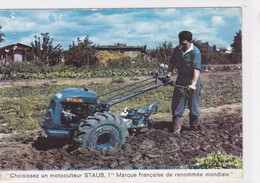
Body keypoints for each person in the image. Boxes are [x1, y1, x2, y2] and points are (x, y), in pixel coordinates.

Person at [167, 30, 202, 135]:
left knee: (193, 105)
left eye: (184, 44)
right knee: (177, 104)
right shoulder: (177, 50)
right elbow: (172, 62)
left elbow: (197, 69)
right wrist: (168, 74)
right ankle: (176, 130)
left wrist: (194, 84)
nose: (181, 46)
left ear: (190, 42)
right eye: (180, 43)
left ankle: (193, 128)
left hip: (192, 80)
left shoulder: (195, 52)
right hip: (180, 79)